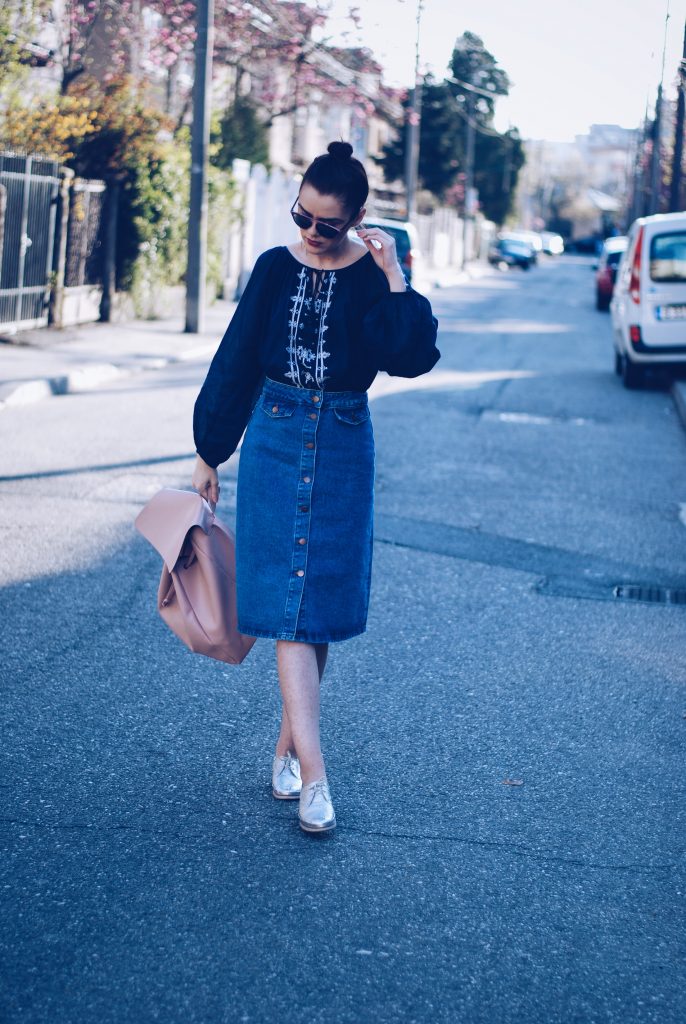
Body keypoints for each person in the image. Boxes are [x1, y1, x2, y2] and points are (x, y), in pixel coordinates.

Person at [192, 141, 440, 834]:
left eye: (326, 224)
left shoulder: (370, 277)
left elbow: (410, 355)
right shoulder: (274, 269)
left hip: (342, 438)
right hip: (273, 436)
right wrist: (210, 449)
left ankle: (285, 752)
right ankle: (317, 779)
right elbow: (237, 354)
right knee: (288, 606)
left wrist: (393, 272)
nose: (309, 231)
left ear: (356, 219)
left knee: (318, 605)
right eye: (302, 215)